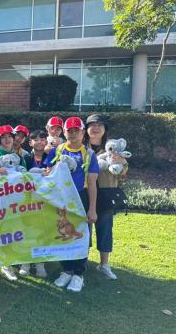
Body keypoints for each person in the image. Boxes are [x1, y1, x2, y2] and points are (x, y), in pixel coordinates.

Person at [44, 117, 99, 292]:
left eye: (77, 130)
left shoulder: (89, 154)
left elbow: (92, 184)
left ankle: (78, 274)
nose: (73, 134)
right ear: (65, 132)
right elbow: (47, 173)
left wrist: (92, 209)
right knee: (62, 232)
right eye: (70, 130)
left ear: (83, 133)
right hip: (61, 198)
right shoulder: (57, 150)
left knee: (81, 234)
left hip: (81, 197)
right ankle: (66, 270)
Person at [85, 114, 125, 280]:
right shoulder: (80, 146)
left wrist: (121, 161)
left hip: (106, 194)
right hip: (84, 194)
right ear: (86, 129)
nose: (96, 128)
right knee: (84, 230)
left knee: (105, 230)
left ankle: (104, 264)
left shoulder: (113, 147)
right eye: (92, 125)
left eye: (100, 125)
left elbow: (123, 172)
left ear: (105, 129)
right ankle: (82, 261)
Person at [0, 125, 26, 282]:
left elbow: (27, 177)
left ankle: (6, 264)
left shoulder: (20, 157)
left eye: (9, 136)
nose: (7, 139)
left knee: (9, 233)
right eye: (3, 137)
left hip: (14, 201)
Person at [19, 129, 49, 278]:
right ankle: (25, 262)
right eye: (36, 139)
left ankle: (40, 264)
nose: (39, 142)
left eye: (42, 139)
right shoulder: (24, 158)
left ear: (46, 141)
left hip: (46, 201)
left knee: (42, 232)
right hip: (27, 201)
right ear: (30, 142)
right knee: (26, 232)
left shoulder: (51, 157)